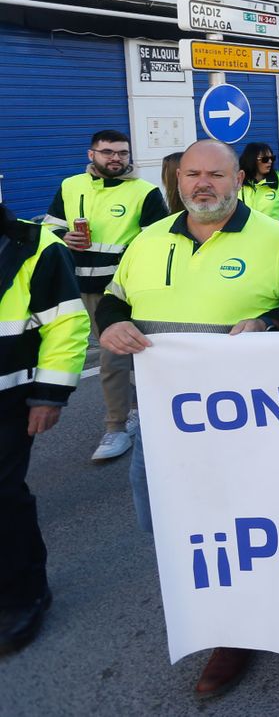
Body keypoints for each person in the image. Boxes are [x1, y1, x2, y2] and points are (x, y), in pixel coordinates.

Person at [98, 139, 279, 697]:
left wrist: (269, 321)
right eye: (192, 174)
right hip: (165, 420)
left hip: (251, 421)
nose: (202, 185)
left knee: (245, 522)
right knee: (168, 523)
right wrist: (110, 326)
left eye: (215, 174)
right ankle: (221, 606)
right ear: (178, 179)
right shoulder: (148, 240)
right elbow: (116, 298)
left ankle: (235, 627)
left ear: (238, 179)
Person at [42, 129, 167, 462]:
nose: (116, 158)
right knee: (121, 358)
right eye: (108, 152)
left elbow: (156, 241)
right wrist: (63, 236)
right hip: (75, 286)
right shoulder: (71, 186)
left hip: (121, 291)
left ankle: (116, 426)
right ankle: (138, 409)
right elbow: (50, 225)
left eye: (123, 153)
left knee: (114, 358)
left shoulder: (145, 192)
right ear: (91, 155)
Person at [0, 201, 89, 655]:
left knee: (3, 498)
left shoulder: (35, 246)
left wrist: (50, 395)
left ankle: (23, 596)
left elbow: (67, 325)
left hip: (8, 401)